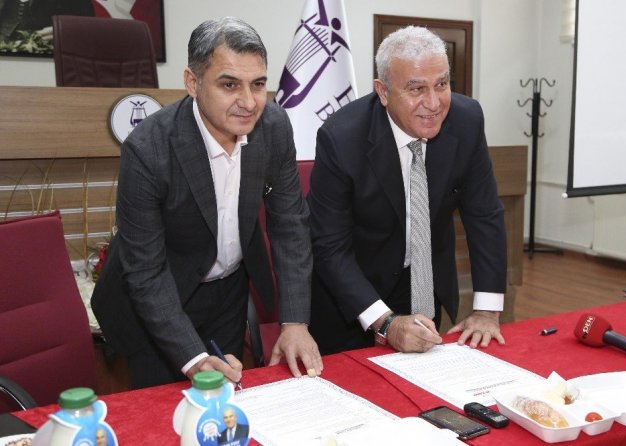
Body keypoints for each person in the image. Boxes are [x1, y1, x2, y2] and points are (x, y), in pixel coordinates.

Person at [91, 17, 322, 388]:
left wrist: (295, 322)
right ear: (192, 82)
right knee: (164, 411)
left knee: (222, 404)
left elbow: (290, 225)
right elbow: (146, 271)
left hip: (226, 295)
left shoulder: (274, 126)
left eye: (258, 84)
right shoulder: (149, 148)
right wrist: (193, 358)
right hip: (154, 305)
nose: (249, 102)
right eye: (229, 85)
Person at [308, 25, 508, 355]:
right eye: (416, 89)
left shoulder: (467, 120)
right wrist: (385, 323)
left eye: (441, 84)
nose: (433, 103)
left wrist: (487, 309)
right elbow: (329, 246)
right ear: (383, 91)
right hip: (352, 296)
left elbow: (484, 215)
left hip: (421, 283)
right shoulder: (341, 138)